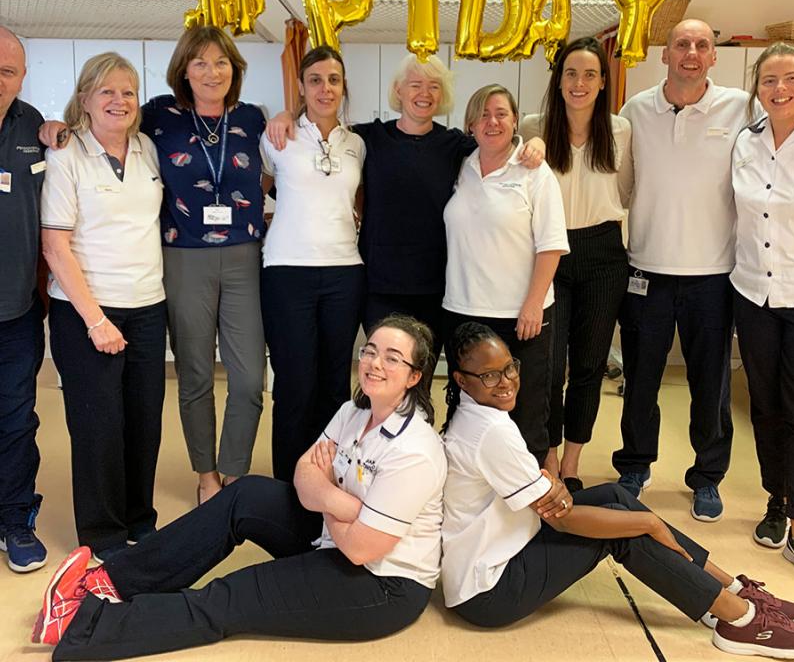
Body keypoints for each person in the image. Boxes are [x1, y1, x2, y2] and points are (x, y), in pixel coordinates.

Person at [31, 315, 447, 662]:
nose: (375, 363)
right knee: (245, 495)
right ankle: (106, 583)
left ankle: (78, 622)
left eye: (392, 358)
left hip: (380, 585)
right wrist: (337, 500)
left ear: (414, 376)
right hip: (335, 533)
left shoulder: (415, 451)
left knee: (232, 596)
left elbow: (360, 549)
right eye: (370, 350)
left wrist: (326, 493)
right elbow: (305, 472)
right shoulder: (354, 411)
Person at [441, 321, 794, 660]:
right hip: (489, 590)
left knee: (613, 497)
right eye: (488, 375)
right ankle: (737, 620)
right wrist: (650, 524)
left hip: (505, 549)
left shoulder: (478, 414)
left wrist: (556, 490)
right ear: (461, 379)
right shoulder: (489, 431)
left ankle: (731, 590)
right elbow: (564, 520)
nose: (505, 381)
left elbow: (554, 498)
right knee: (625, 531)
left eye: (509, 367)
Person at [41, 27, 267, 504]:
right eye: (200, 62)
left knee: (248, 378)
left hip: (244, 257)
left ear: (235, 69)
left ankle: (234, 473)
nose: (212, 71)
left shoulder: (254, 118)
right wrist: (52, 128)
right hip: (182, 258)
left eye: (221, 61)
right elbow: (97, 127)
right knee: (196, 374)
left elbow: (280, 165)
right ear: (184, 69)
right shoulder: (160, 116)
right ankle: (206, 475)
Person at [266, 54, 545, 368]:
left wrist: (533, 143)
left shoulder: (455, 146)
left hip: (434, 289)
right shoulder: (367, 138)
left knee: (419, 378)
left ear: (443, 95)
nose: (424, 93)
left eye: (433, 86)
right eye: (415, 85)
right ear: (399, 90)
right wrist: (286, 114)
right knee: (384, 376)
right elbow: (321, 127)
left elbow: (499, 145)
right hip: (379, 287)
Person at [611, 18, 754, 521]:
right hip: (646, 269)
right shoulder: (635, 111)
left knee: (710, 384)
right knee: (641, 379)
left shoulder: (741, 107)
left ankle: (707, 477)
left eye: (702, 45)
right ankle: (634, 466)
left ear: (713, 56)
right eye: (681, 44)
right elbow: (623, 184)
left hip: (714, 274)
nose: (691, 52)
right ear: (665, 54)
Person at [41, 52, 166, 562]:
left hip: (146, 304)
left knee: (143, 421)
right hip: (85, 310)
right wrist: (95, 320)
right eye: (107, 91)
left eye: (128, 92)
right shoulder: (67, 153)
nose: (119, 101)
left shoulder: (147, 149)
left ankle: (140, 518)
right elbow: (55, 245)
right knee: (97, 425)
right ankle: (104, 533)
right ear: (86, 99)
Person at [520, 37, 631, 493]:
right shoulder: (533, 127)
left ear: (603, 82)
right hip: (551, 252)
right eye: (571, 73)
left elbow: (628, 192)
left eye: (589, 74)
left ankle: (571, 462)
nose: (579, 82)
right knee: (548, 364)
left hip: (604, 253)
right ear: (558, 80)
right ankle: (546, 457)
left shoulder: (620, 130)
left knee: (588, 365)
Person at [442, 84, 568, 464]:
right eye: (483, 114)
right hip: (463, 310)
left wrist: (533, 305)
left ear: (516, 120)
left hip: (520, 317)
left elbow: (551, 244)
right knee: (468, 410)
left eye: (501, 113)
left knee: (525, 413)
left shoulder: (534, 171)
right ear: (469, 125)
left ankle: (528, 504)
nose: (492, 121)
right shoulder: (459, 166)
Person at [259, 45, 365, 481]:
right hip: (287, 271)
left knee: (335, 384)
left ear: (343, 88)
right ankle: (289, 481)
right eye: (316, 80)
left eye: (334, 80)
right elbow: (257, 189)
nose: (325, 88)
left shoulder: (357, 143)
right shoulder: (278, 136)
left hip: (345, 271)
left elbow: (361, 201)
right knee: (295, 382)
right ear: (301, 87)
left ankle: (327, 476)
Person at [731, 42, 794, 566]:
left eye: (791, 78)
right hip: (752, 290)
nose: (780, 89)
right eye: (770, 80)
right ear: (758, 88)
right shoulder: (746, 142)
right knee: (764, 403)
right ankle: (774, 498)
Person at [0, 26, 47, 572]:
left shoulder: (33, 126)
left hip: (16, 310)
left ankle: (14, 520)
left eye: (8, 71)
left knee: (16, 420)